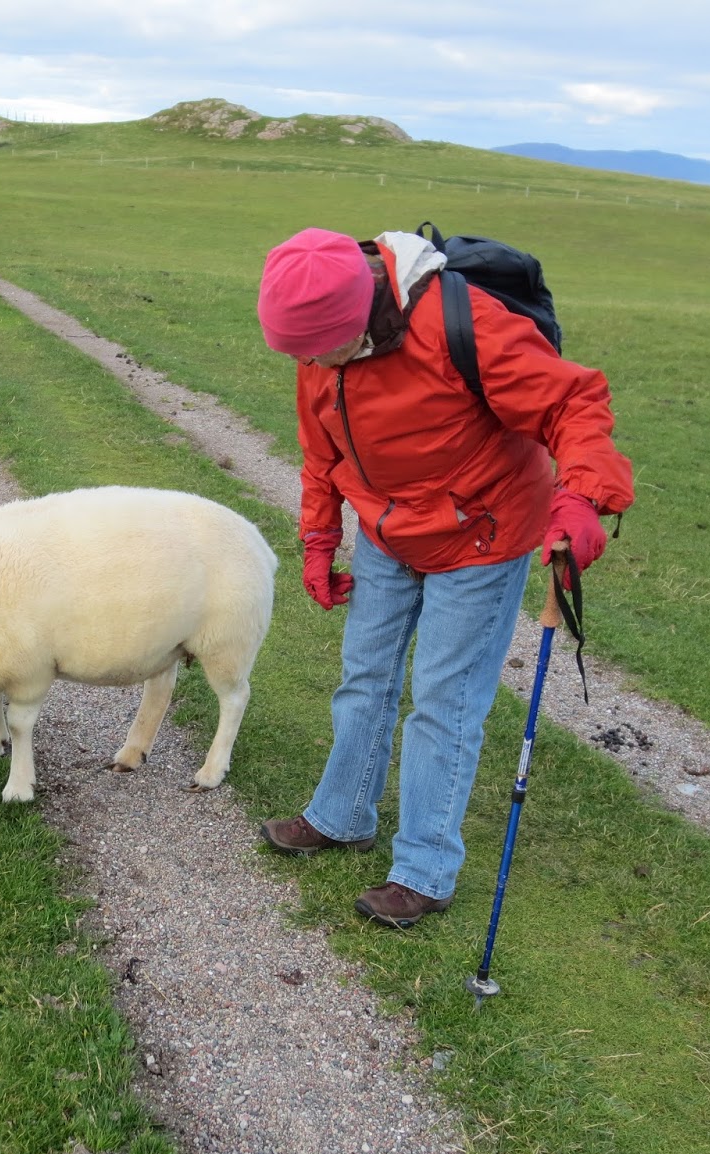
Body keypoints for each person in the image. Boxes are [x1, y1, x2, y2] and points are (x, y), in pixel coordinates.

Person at [255, 226, 634, 929]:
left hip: (483, 533)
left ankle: (424, 870)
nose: (309, 363)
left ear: (360, 317)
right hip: (387, 529)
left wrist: (583, 496)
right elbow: (320, 450)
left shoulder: (467, 327)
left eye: (318, 349)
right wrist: (319, 539)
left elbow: (572, 404)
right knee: (364, 674)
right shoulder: (320, 345)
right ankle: (342, 815)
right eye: (298, 352)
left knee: (443, 699)